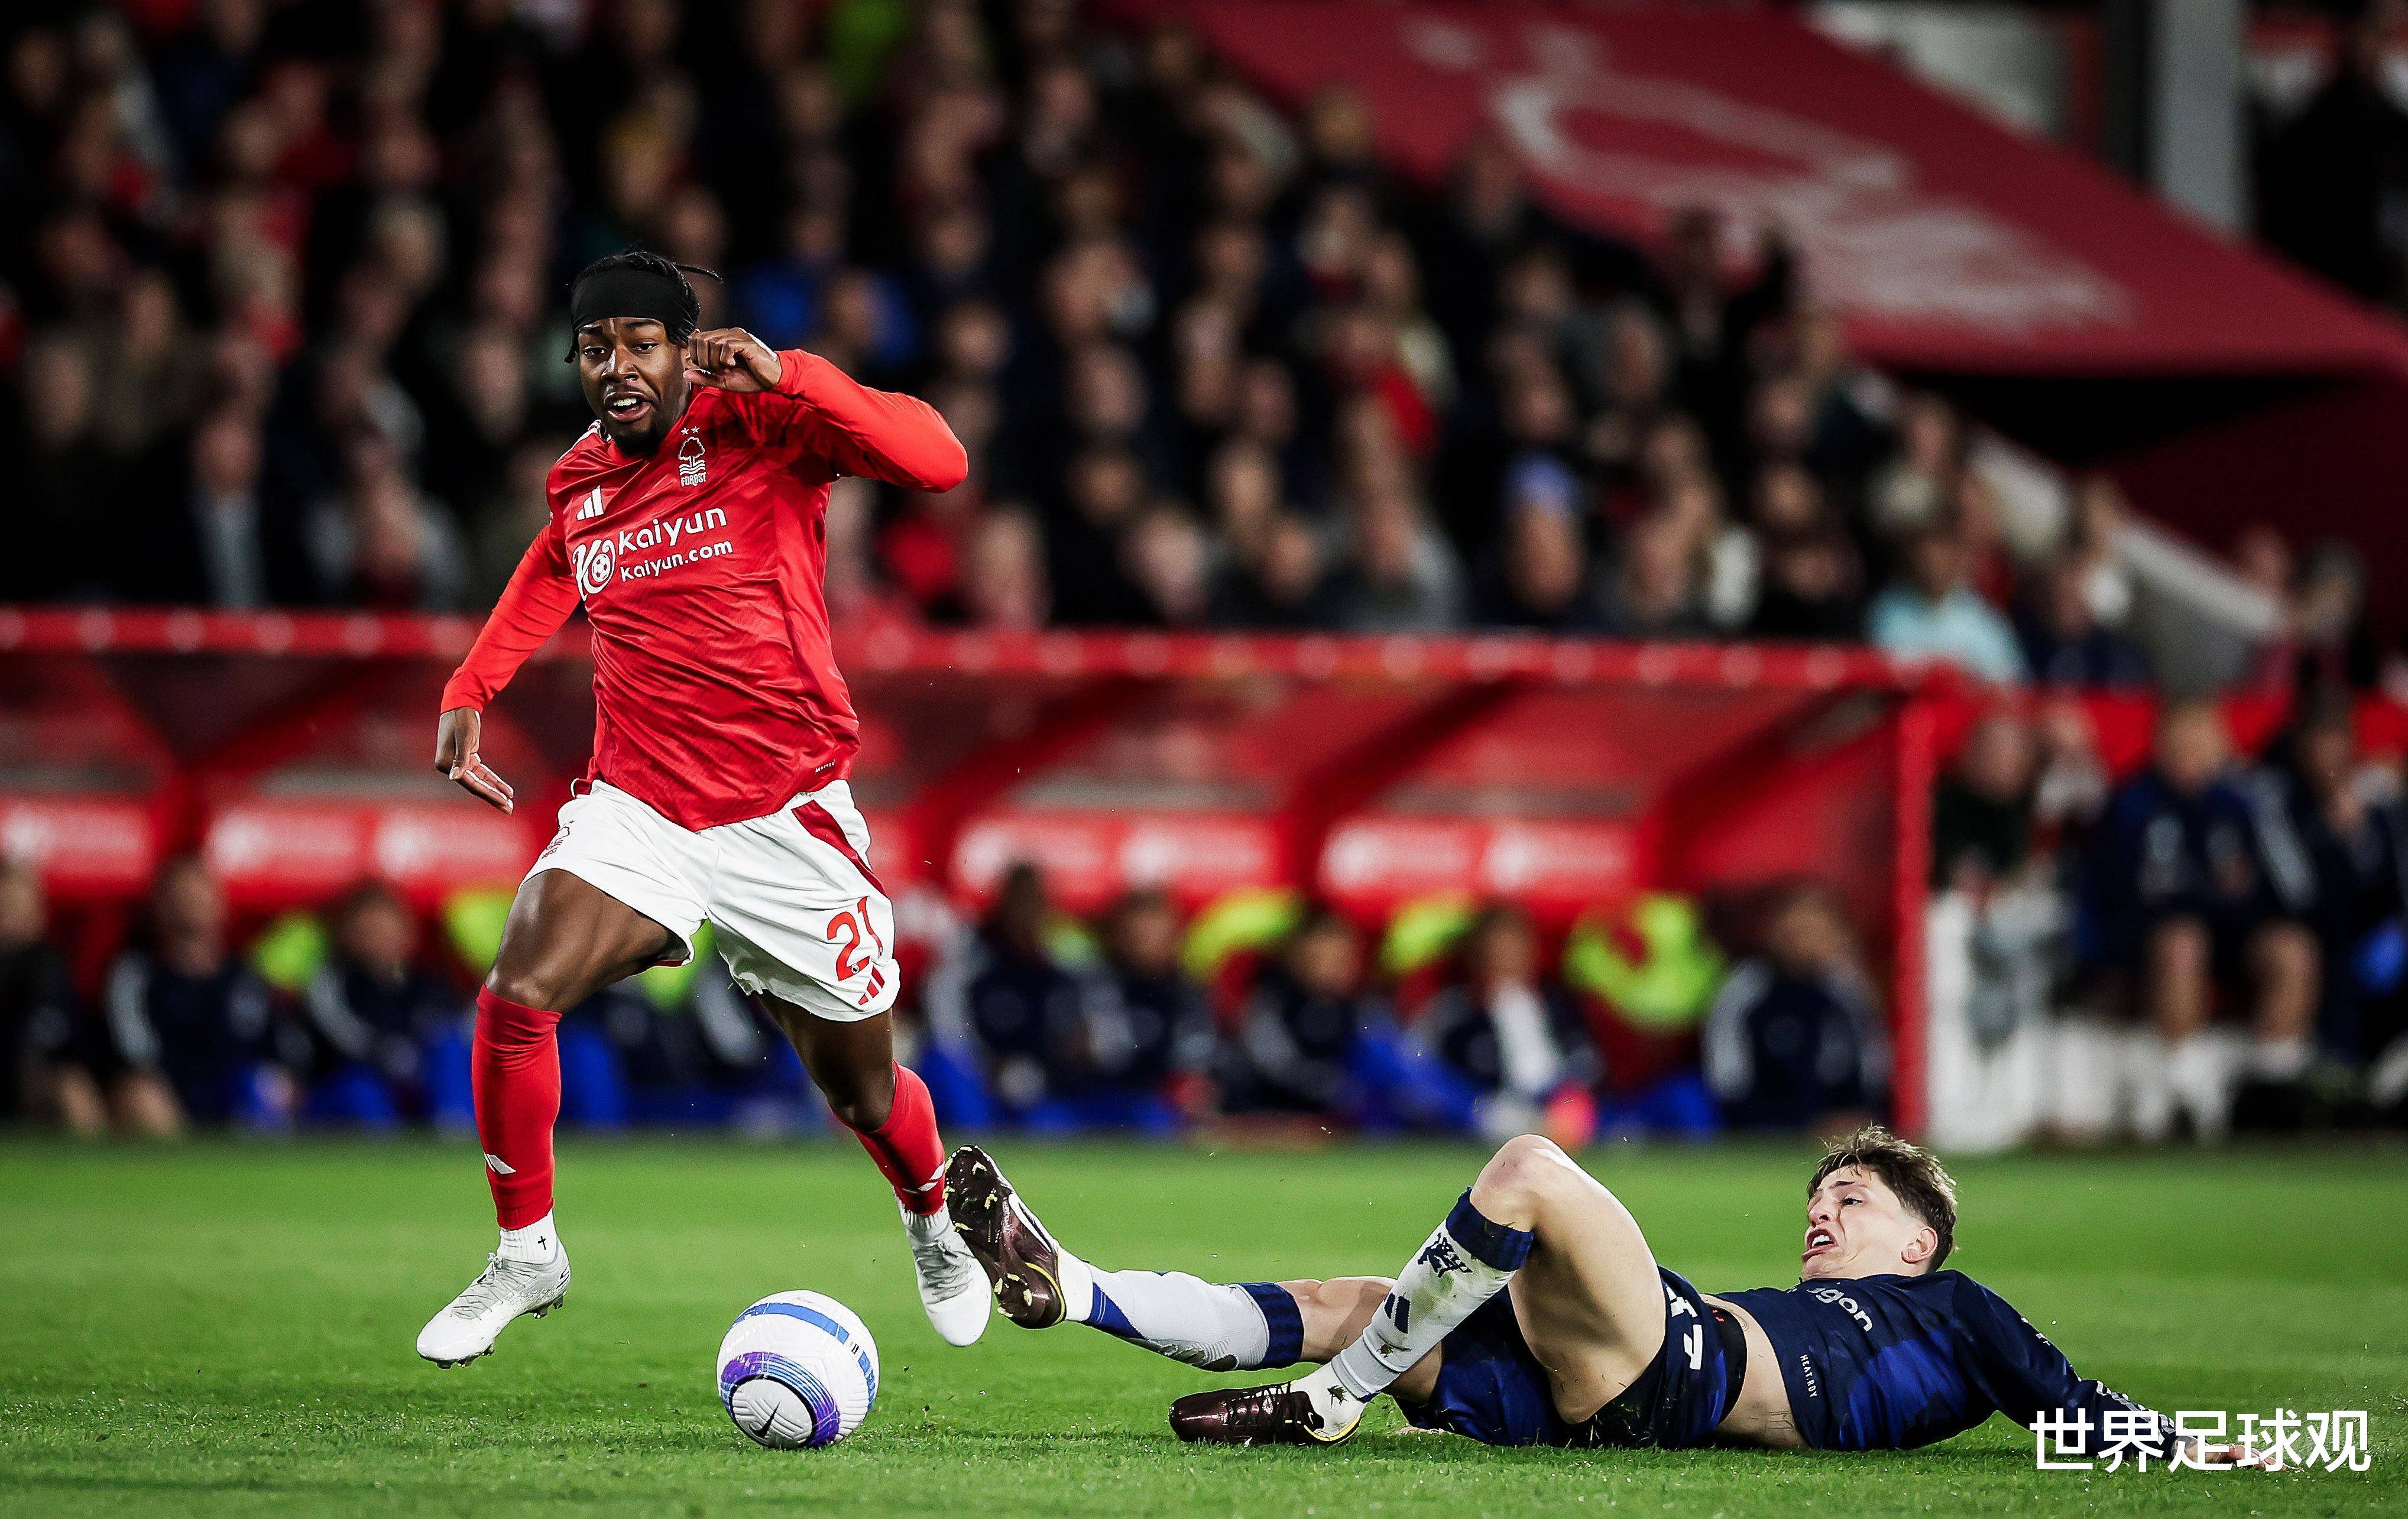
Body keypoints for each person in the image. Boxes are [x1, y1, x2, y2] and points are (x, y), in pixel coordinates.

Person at [416, 250, 983, 1367]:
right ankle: (527, 1251)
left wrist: (792, 374)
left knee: (863, 1092)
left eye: (639, 343)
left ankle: (930, 1213)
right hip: (644, 807)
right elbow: (553, 563)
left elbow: (940, 460)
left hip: (787, 815)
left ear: (684, 350)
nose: (614, 366)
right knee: (519, 985)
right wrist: (471, 684)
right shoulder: (578, 479)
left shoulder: (762, 423)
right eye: (593, 348)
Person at [942, 1130, 2269, 1467]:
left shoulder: (1961, 1315)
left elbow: (2087, 1416)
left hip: (1674, 1371)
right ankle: (1079, 1289)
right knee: (1353, 1294)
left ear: (1919, 1240)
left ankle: (1331, 1405)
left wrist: (2267, 1442)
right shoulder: (1813, 1299)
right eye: (1819, 1193)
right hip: (1628, 1380)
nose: (1822, 1207)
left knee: (1528, 1172)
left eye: (1852, 1197)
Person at [93, 857, 289, 1134]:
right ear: (159, 906)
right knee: (140, 1096)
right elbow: (134, 1052)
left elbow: (270, 1046)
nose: (190, 907)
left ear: (221, 906)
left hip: (231, 1095)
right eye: (180, 896)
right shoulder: (134, 973)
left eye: (199, 896)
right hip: (166, 1091)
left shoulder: (244, 977)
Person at [1702, 884, 1889, 1133]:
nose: (1805, 940)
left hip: (1838, 1134)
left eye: (1816, 929)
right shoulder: (1746, 989)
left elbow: (1871, 1075)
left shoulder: (1847, 992)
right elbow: (1729, 1085)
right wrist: (1802, 1126)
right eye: (1796, 930)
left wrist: (1859, 1118)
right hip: (1759, 1134)